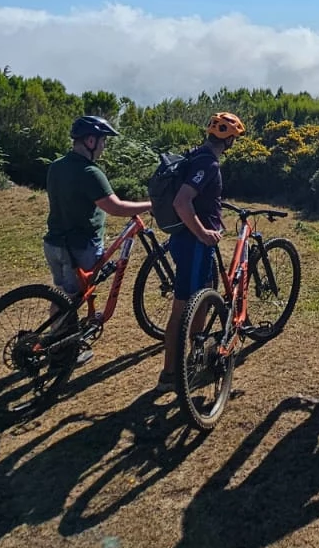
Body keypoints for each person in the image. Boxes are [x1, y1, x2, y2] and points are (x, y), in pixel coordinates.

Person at [44, 115, 154, 365]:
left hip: (53, 243)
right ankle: (60, 352)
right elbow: (115, 207)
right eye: (103, 141)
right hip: (79, 246)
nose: (104, 146)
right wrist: (151, 204)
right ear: (90, 140)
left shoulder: (57, 166)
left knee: (63, 296)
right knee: (71, 300)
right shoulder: (90, 171)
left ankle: (59, 340)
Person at [159, 111, 246, 392]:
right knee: (184, 307)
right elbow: (182, 202)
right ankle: (170, 375)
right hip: (194, 242)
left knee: (202, 298)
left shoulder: (195, 155)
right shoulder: (208, 163)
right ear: (229, 139)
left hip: (186, 240)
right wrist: (203, 233)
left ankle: (195, 355)